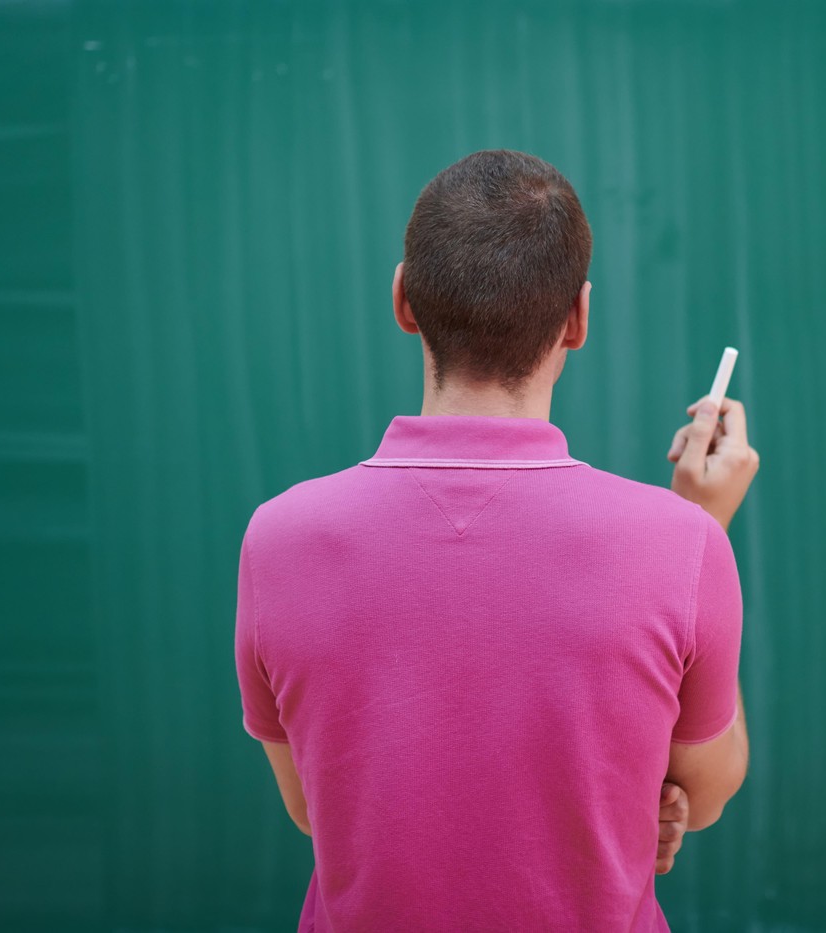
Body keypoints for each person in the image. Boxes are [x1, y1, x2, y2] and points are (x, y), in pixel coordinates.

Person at [234, 149, 758, 932]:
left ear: (403, 300)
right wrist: (700, 528)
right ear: (578, 319)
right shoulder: (679, 545)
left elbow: (317, 807)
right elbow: (703, 792)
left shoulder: (279, 537)